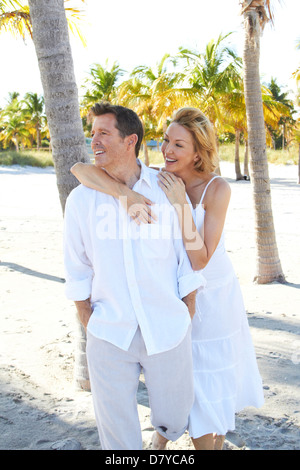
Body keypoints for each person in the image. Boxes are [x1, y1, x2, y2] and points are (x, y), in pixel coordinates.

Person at [71, 106, 264, 450]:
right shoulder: (159, 178)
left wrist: (179, 206)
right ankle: (161, 444)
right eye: (166, 141)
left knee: (205, 385)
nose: (168, 150)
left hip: (211, 297)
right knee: (185, 388)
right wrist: (125, 194)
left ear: (198, 152)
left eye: (178, 145)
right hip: (171, 295)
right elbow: (82, 170)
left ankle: (184, 444)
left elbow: (200, 259)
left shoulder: (216, 189)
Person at [63, 102, 206, 451]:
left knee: (174, 418)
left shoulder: (167, 189)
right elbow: (76, 264)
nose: (93, 140)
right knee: (116, 437)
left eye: (103, 133)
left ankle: (161, 442)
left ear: (130, 141)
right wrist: (86, 316)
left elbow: (184, 257)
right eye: (92, 132)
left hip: (167, 326)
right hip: (109, 329)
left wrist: (187, 308)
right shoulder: (82, 200)